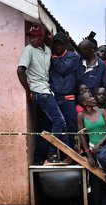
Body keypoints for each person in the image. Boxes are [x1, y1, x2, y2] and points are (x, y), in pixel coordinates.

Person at [17, 26, 69, 163]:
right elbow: (20, 70)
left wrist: (51, 39)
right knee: (59, 121)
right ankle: (51, 155)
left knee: (50, 125)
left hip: (47, 89)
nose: (32, 39)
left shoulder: (47, 50)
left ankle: (65, 153)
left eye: (35, 37)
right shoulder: (28, 50)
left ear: (42, 38)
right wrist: (28, 91)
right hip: (39, 91)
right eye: (31, 37)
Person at [77, 91, 106, 205]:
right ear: (84, 103)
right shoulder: (81, 116)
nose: (93, 98)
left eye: (92, 96)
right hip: (93, 153)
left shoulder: (102, 112)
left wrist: (100, 143)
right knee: (96, 184)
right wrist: (88, 154)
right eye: (90, 97)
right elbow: (82, 136)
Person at [49, 32, 80, 150]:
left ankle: (73, 153)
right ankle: (59, 155)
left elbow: (62, 68)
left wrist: (54, 58)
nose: (58, 47)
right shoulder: (51, 57)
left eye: (60, 44)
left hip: (68, 98)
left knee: (71, 127)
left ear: (65, 45)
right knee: (55, 127)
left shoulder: (73, 56)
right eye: (55, 45)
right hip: (55, 97)